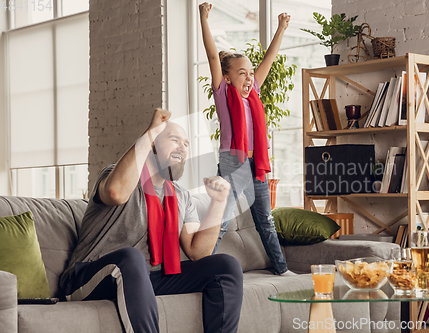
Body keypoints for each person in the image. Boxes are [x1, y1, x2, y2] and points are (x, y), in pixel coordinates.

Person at [60, 108, 244, 333]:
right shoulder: (116, 175)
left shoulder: (181, 196)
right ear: (153, 145)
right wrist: (150, 132)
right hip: (86, 278)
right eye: (174, 140)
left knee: (226, 266)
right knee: (130, 257)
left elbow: (199, 252)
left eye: (186, 144)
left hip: (147, 279)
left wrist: (219, 202)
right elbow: (116, 191)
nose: (182, 147)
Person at [199, 2, 295, 276]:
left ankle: (282, 270)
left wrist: (281, 29)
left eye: (250, 73)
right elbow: (212, 57)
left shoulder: (252, 94)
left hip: (257, 165)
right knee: (222, 220)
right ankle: (201, 271)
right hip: (233, 162)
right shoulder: (223, 94)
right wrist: (203, 20)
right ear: (227, 78)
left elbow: (268, 60)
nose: (249, 77)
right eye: (241, 73)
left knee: (265, 220)